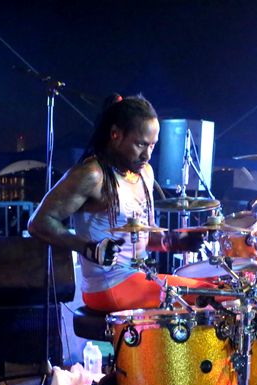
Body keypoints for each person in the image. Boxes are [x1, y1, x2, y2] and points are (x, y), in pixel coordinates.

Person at [28, 94, 205, 312]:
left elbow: (145, 236)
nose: (147, 155)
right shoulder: (93, 174)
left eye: (152, 146)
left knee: (220, 287)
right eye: (140, 144)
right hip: (107, 285)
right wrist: (88, 249)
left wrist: (179, 241)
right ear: (115, 135)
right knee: (209, 293)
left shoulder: (146, 173)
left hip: (139, 278)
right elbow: (38, 222)